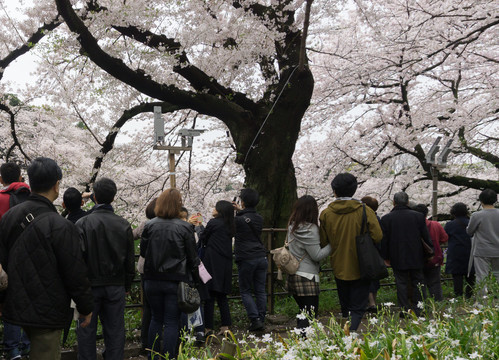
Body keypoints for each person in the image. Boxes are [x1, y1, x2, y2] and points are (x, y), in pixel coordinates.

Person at [0, 157, 93, 360]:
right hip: (48, 310)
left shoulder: (9, 217)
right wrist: (85, 307)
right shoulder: (61, 225)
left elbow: (3, 261)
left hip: (16, 302)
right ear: (56, 184)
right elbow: (74, 272)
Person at [76, 177, 135, 360]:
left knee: (86, 329)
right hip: (116, 285)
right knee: (115, 329)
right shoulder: (124, 224)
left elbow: (78, 260)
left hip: (89, 286)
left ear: (94, 196)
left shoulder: (83, 224)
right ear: (114, 197)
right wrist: (127, 284)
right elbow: (129, 260)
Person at [140, 189, 200, 359]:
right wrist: (196, 281)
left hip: (152, 279)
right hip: (176, 280)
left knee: (156, 319)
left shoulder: (150, 225)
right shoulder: (185, 227)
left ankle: (153, 355)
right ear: (178, 205)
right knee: (172, 321)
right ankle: (169, 356)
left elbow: (144, 252)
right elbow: (192, 257)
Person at [320, 173, 383, 331]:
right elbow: (378, 236)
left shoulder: (326, 213)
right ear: (354, 190)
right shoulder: (364, 210)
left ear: (334, 190)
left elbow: (323, 240)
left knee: (345, 303)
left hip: (338, 263)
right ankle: (350, 333)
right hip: (362, 263)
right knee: (358, 305)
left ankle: (346, 329)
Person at [380, 192, 432, 317]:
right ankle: (419, 309)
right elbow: (425, 236)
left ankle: (404, 310)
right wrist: (431, 251)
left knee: (401, 284)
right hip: (416, 254)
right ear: (408, 202)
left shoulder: (387, 218)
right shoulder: (418, 216)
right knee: (418, 283)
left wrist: (385, 257)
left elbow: (384, 240)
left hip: (397, 255)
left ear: (394, 202)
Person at [0, 162, 31, 360]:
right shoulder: (32, 198)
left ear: (1, 179)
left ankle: (12, 349)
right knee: (29, 300)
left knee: (10, 303)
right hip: (30, 258)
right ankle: (26, 344)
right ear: (20, 177)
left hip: (6, 258)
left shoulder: (1, 199)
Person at [287, 195, 332, 330]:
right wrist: (332, 244)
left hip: (293, 275)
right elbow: (317, 255)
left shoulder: (292, 227)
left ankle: (300, 343)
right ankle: (303, 344)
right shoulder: (311, 229)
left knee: (303, 313)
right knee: (309, 315)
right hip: (307, 276)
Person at [233, 188, 267, 331]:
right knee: (260, 290)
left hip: (246, 257)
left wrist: (237, 211)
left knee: (245, 290)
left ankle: (255, 319)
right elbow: (247, 220)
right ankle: (261, 318)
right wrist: (240, 210)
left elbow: (235, 228)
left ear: (243, 201)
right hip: (261, 256)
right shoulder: (259, 218)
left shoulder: (238, 219)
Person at [199, 200, 234, 336]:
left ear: (220, 210)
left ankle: (208, 328)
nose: (213, 209)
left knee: (209, 296)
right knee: (222, 296)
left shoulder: (213, 223)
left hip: (212, 261)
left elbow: (204, 238)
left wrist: (199, 226)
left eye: (215, 207)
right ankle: (226, 326)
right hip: (225, 262)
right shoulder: (230, 224)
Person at [134, 198, 157, 352]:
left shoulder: (145, 224)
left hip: (145, 269)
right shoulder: (169, 224)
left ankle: (145, 342)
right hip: (162, 270)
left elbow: (130, 235)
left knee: (148, 306)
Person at [466, 189, 499, 296]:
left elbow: (469, 231)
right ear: (495, 200)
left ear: (481, 200)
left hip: (482, 250)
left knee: (481, 276)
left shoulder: (477, 215)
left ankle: (482, 303)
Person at [412, 204, 448, 301]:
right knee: (435, 283)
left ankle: (422, 305)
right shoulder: (435, 225)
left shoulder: (412, 226)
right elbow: (444, 238)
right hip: (434, 257)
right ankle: (438, 304)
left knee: (419, 284)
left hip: (417, 258)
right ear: (426, 213)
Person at [444, 202, 475, 298]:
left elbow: (445, 238)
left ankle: (458, 297)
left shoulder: (449, 225)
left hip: (455, 253)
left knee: (457, 276)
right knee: (471, 275)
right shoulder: (471, 223)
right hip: (470, 252)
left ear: (453, 212)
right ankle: (469, 296)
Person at [361, 196, 382, 313]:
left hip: (365, 250)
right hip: (375, 252)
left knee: (367, 277)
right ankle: (373, 301)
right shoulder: (377, 218)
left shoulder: (364, 218)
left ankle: (371, 303)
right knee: (374, 277)